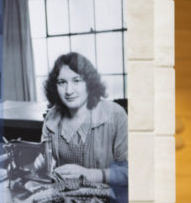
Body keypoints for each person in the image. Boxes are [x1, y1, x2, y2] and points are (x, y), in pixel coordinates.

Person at [34, 52, 128, 187]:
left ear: (89, 83)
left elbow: (131, 172)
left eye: (76, 81)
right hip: (62, 198)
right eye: (62, 82)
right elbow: (48, 166)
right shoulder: (51, 118)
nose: (69, 91)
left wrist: (90, 174)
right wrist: (43, 164)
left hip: (106, 200)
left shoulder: (116, 115)